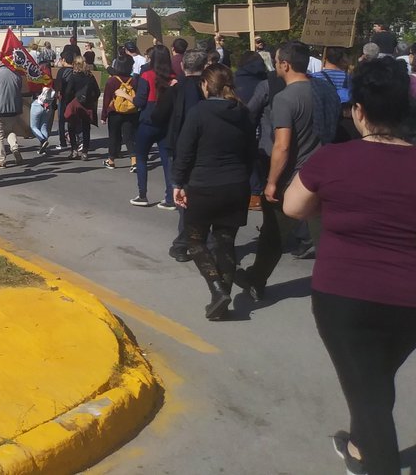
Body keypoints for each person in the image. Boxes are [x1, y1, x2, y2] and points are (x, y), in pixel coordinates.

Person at [283, 57, 416, 475]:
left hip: (345, 300)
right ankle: (359, 447)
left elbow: (293, 207)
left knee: (369, 393)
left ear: (357, 110)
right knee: (373, 383)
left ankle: (374, 461)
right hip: (409, 302)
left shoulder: (331, 160)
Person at [235, 40, 323, 302]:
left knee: (273, 234)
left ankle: (256, 280)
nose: (275, 65)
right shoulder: (323, 91)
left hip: (292, 177)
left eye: (276, 61)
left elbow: (282, 146)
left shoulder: (285, 98)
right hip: (323, 174)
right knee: (326, 238)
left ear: (285, 64)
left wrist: (272, 182)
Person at [171, 64, 256, 319]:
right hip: (236, 186)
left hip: (204, 186)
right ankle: (222, 302)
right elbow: (251, 151)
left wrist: (177, 183)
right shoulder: (243, 112)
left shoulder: (199, 113)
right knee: (225, 243)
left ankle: (217, 289)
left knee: (196, 241)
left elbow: (184, 152)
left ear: (207, 85)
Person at [130, 45, 176, 207]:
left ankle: (142, 195)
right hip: (166, 121)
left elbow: (140, 101)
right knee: (167, 160)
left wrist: (126, 96)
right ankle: (170, 197)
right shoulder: (173, 77)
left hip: (148, 120)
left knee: (141, 157)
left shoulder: (147, 75)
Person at [102, 55, 139, 170]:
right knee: (129, 137)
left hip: (115, 112)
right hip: (131, 112)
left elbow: (106, 100)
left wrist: (104, 115)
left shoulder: (112, 80)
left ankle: (111, 160)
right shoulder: (134, 80)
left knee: (113, 136)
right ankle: (134, 161)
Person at [60, 53, 98, 160]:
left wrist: (68, 103)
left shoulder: (73, 76)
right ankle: (85, 151)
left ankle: (74, 150)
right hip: (86, 105)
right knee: (86, 128)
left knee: (71, 127)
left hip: (74, 104)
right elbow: (97, 91)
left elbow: (68, 92)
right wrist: (90, 99)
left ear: (75, 64)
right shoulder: (90, 76)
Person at [28, 83, 55, 153]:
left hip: (37, 104)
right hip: (48, 105)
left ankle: (43, 141)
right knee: (44, 126)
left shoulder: (36, 82)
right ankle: (44, 148)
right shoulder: (49, 84)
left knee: (33, 126)